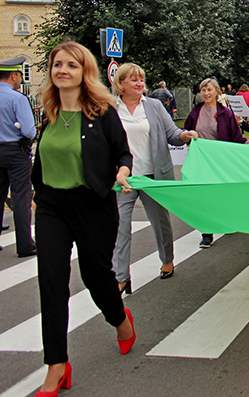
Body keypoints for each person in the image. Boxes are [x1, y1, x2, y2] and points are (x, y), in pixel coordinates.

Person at [32, 41, 136, 396]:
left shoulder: (102, 111)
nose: (62, 70)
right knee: (51, 281)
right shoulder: (47, 110)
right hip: (51, 207)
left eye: (71, 65)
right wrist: (34, 193)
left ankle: (119, 319)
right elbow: (43, 156)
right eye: (57, 64)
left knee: (95, 276)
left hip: (93, 204)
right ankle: (57, 364)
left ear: (84, 72)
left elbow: (122, 151)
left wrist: (122, 172)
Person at [112, 64, 198, 294]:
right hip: (123, 178)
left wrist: (185, 135)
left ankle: (167, 259)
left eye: (141, 79)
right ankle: (121, 276)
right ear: (120, 84)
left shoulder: (154, 106)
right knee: (119, 226)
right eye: (133, 80)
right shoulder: (110, 108)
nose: (140, 83)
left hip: (153, 175)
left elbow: (172, 134)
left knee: (160, 222)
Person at [184, 78, 249, 248]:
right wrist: (187, 137)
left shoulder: (225, 113)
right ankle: (207, 233)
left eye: (209, 90)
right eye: (203, 90)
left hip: (220, 162)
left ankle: (228, 221)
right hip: (201, 162)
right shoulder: (195, 112)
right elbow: (185, 131)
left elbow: (235, 137)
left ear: (217, 92)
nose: (205, 93)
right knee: (203, 196)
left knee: (222, 193)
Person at [0, 57, 37, 256]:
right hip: (15, 152)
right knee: (21, 197)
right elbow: (30, 131)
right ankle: (25, 245)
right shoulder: (17, 98)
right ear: (14, 75)